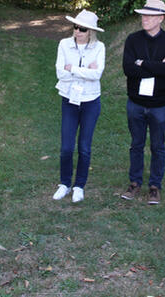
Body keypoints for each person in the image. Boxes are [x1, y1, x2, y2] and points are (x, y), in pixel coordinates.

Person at [121, 0, 165, 205]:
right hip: (135, 102)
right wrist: (156, 65)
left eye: (150, 15)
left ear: (161, 18)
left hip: (160, 104)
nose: (144, 18)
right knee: (136, 144)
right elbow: (128, 69)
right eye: (143, 15)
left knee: (158, 146)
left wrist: (142, 63)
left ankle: (155, 186)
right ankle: (135, 182)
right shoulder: (132, 40)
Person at [52, 10, 105, 203]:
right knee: (66, 147)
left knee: (84, 147)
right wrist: (84, 70)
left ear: (90, 31)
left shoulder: (99, 47)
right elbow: (60, 73)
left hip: (91, 101)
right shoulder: (64, 44)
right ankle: (64, 184)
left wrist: (72, 68)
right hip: (69, 100)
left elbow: (97, 74)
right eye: (75, 27)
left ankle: (79, 186)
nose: (77, 31)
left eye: (82, 28)